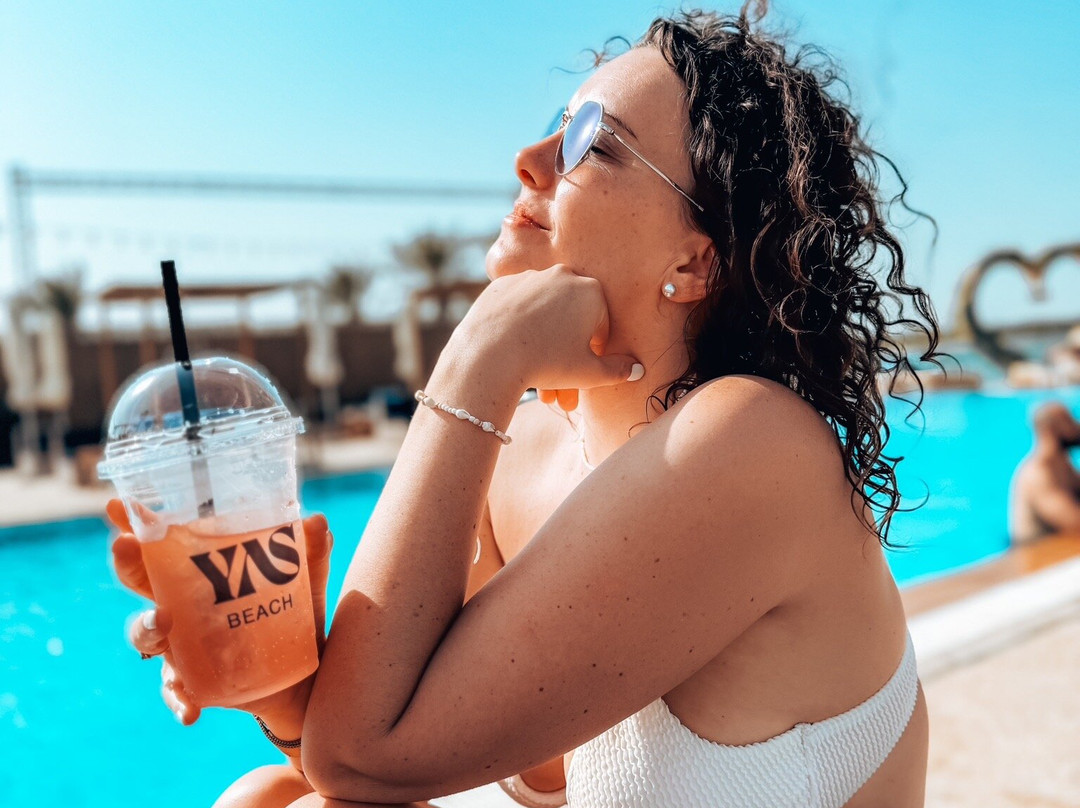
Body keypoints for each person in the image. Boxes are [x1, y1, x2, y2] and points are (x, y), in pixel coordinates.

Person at [111, 6, 946, 807]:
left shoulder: (752, 442)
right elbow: (362, 770)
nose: (530, 158)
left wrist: (479, 356)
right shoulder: (525, 452)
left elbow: (364, 752)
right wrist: (282, 689)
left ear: (695, 263)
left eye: (593, 144)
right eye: (558, 122)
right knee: (268, 796)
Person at [1009, 401, 1080, 545]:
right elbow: (1074, 524)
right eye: (1069, 421)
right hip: (1038, 555)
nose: (1076, 426)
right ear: (1050, 430)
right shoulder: (1036, 475)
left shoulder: (1062, 464)